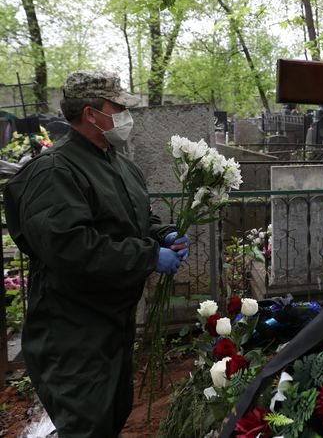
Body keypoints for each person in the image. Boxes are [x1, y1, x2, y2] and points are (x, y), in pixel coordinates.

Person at [3, 70, 190, 438]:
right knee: (86, 423)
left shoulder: (117, 163)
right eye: (117, 107)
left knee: (113, 411)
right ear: (91, 113)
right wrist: (148, 257)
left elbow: (133, 216)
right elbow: (72, 249)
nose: (125, 116)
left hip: (111, 320)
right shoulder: (55, 171)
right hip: (72, 326)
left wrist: (161, 233)